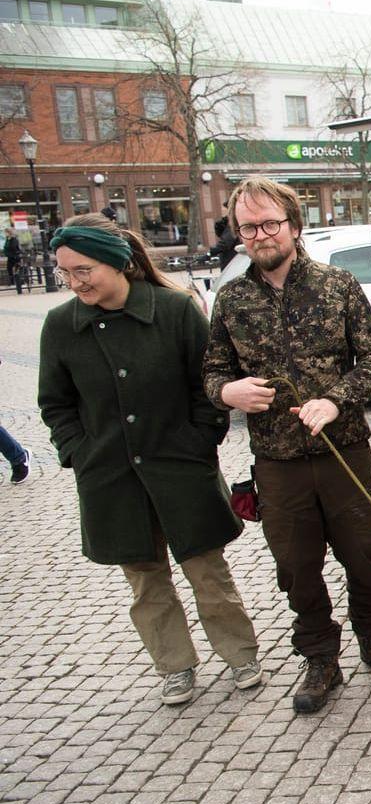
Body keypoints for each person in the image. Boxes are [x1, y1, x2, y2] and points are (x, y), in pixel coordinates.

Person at [37, 214, 261, 706]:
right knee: (145, 583)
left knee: (208, 572)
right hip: (111, 479)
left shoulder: (174, 310)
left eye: (83, 270)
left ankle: (240, 653)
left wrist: (201, 442)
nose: (74, 283)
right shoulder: (60, 326)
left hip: (180, 468)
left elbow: (208, 384)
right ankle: (174, 665)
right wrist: (79, 453)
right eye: (64, 273)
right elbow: (55, 404)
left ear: (116, 263)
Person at [202, 176, 371, 713]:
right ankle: (319, 658)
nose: (261, 235)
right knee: (295, 565)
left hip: (345, 450)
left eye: (271, 223)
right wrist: (228, 390)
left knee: (364, 553)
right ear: (239, 234)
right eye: (249, 227)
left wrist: (337, 399)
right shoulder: (231, 299)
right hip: (277, 459)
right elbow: (213, 371)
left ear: (293, 226)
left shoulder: (338, 285)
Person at [209, 202, 238, 270]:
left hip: (232, 263)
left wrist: (209, 253)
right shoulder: (229, 222)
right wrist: (220, 226)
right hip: (230, 262)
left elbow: (225, 242)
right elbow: (220, 235)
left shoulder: (234, 224)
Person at [5, 228, 22, 294]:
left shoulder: (13, 239)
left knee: (17, 270)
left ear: (9, 233)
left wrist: (11, 253)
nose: (5, 234)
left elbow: (14, 247)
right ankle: (12, 282)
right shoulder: (7, 239)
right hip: (10, 257)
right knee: (9, 268)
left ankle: (18, 282)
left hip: (15, 257)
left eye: (6, 232)